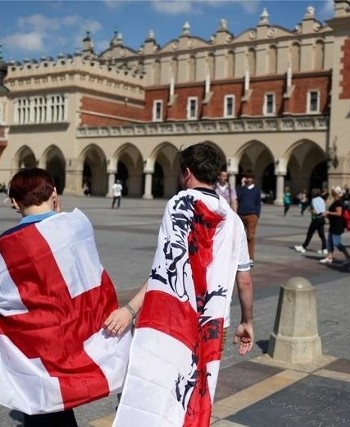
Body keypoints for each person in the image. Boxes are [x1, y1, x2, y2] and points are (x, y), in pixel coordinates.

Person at [0, 168, 130, 427]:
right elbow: (93, 276)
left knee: (42, 400)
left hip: (39, 341)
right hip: (78, 330)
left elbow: (8, 299)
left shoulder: (9, 241)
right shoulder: (79, 225)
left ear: (14, 202)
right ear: (54, 193)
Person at [103, 143, 254, 426]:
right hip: (215, 322)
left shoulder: (180, 204)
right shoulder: (234, 221)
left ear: (187, 173)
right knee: (197, 389)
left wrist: (130, 310)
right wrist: (248, 320)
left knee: (160, 391)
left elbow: (166, 269)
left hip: (175, 319)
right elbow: (244, 279)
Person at [319, 187, 350, 266]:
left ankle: (348, 256)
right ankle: (329, 257)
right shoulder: (337, 201)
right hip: (334, 224)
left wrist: (328, 212)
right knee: (330, 241)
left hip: (338, 225)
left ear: (336, 193)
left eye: (333, 191)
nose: (331, 192)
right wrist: (328, 215)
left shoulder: (338, 202)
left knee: (337, 243)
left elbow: (339, 213)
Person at [236, 169, 262, 265]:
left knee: (250, 237)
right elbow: (237, 198)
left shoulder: (256, 190)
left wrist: (257, 215)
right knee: (240, 237)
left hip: (252, 216)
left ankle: (250, 258)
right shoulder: (240, 189)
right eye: (247, 177)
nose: (248, 179)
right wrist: (242, 186)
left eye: (250, 177)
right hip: (241, 215)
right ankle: (240, 257)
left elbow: (258, 203)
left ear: (253, 179)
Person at [294, 188, 327, 255]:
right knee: (322, 235)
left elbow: (314, 212)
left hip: (315, 220)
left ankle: (303, 247)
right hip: (322, 219)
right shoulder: (322, 200)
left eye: (312, 192)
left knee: (310, 234)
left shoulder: (313, 200)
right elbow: (323, 211)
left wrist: (309, 210)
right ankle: (324, 249)